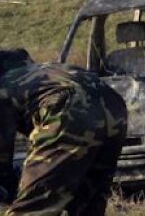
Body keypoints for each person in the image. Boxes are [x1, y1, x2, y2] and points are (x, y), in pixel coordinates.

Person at [0, 49, 128, 215]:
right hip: (113, 105)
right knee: (87, 204)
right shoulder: (45, 70)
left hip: (68, 107)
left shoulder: (5, 85)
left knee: (33, 208)